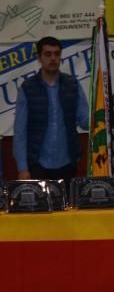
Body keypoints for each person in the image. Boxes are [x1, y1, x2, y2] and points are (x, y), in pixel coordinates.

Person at [14, 36, 88, 185]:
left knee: (67, 207)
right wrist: (22, 168)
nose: (53, 58)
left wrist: (99, 114)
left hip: (67, 162)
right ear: (39, 58)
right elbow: (20, 132)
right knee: (40, 207)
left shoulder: (72, 85)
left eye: (57, 54)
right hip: (37, 163)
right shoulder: (27, 88)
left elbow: (85, 121)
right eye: (48, 54)